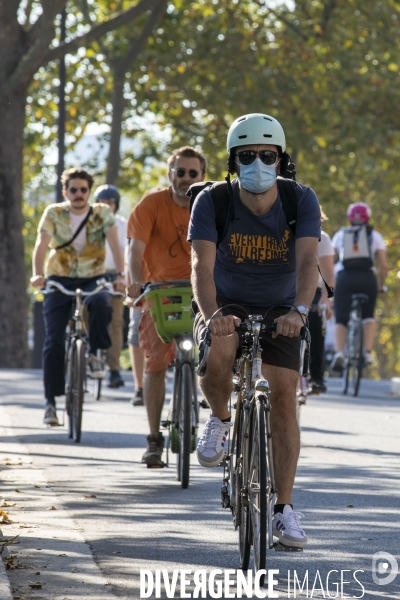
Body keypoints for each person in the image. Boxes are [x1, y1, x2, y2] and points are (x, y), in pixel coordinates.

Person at [188, 113, 321, 549]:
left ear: (281, 159)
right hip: (226, 301)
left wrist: (300, 311)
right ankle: (221, 420)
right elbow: (200, 267)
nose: (259, 163)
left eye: (268, 155)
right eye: (248, 156)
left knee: (284, 399)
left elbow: (307, 263)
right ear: (233, 160)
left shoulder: (300, 199)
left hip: (284, 306)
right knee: (222, 346)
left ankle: (283, 510)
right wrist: (211, 316)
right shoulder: (213, 200)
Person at [126, 147, 206, 467]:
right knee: (156, 362)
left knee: (219, 355)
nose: (185, 179)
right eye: (180, 172)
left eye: (192, 173)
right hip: (160, 293)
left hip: (203, 292)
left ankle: (219, 423)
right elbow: (135, 252)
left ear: (201, 176)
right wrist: (134, 281)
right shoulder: (151, 204)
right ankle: (154, 439)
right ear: (169, 173)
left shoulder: (210, 202)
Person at [31, 168, 126, 426]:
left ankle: (96, 354)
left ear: (89, 192)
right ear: (65, 192)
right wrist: (37, 275)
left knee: (102, 305)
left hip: (93, 276)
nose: (78, 194)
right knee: (53, 341)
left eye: (83, 189)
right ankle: (50, 403)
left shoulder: (102, 213)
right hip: (59, 277)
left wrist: (120, 274)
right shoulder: (54, 213)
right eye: (73, 190)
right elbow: (41, 245)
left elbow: (115, 245)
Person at [330, 202, 387, 370]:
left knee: (341, 318)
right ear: (367, 217)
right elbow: (383, 265)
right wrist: (380, 286)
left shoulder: (341, 235)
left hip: (344, 277)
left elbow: (330, 261)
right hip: (367, 278)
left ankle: (340, 353)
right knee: (368, 315)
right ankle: (367, 353)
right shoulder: (375, 235)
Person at [94, 184, 128, 388]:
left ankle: (114, 369)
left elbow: (126, 250)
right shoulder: (89, 222)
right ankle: (90, 355)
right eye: (103, 203)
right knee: (88, 315)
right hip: (92, 275)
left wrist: (122, 276)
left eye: (110, 203)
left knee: (116, 322)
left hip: (115, 275)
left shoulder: (122, 224)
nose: (107, 206)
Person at [308, 210, 335, 393]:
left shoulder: (323, 238)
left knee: (317, 323)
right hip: (286, 287)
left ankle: (316, 377)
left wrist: (327, 300)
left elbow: (328, 273)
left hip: (314, 289)